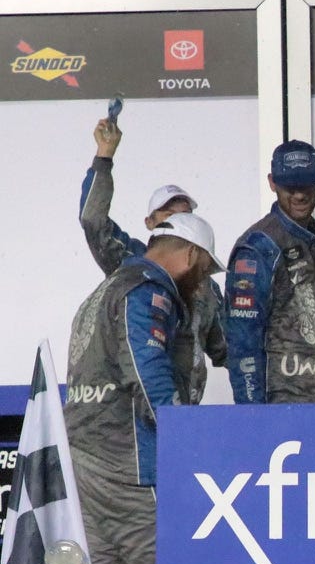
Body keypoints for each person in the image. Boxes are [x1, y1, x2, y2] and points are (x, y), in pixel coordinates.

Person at [65, 212, 224, 564]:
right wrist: (184, 440)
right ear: (190, 254)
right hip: (130, 466)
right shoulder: (148, 289)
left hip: (84, 464)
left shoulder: (104, 289)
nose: (203, 282)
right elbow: (146, 371)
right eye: (205, 270)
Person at [79, 118, 226, 404]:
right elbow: (93, 220)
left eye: (187, 216)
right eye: (169, 215)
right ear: (151, 224)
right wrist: (104, 156)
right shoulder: (131, 264)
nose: (180, 222)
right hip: (146, 412)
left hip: (184, 411)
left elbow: (230, 347)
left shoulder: (207, 287)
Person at [223, 140, 315, 403]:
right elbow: (242, 339)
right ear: (272, 183)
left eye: (307, 184)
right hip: (283, 401)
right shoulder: (259, 246)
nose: (300, 195)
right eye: (290, 186)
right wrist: (253, 412)